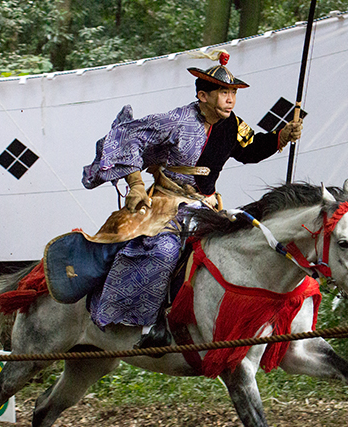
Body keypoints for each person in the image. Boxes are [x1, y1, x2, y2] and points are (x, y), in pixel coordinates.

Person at [80, 51, 303, 347]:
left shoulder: (234, 125)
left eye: (233, 93)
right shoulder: (175, 121)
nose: (230, 99)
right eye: (224, 92)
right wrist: (135, 183)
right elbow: (124, 136)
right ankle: (148, 326)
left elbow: (252, 149)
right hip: (167, 204)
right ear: (203, 95)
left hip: (208, 206)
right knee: (163, 252)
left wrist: (282, 136)